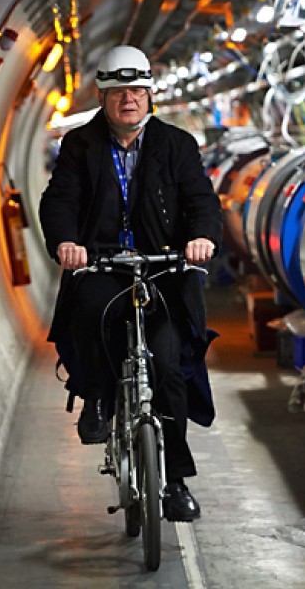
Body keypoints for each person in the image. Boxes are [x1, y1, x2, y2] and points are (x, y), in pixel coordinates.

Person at [39, 45, 222, 522]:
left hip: (162, 267)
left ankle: (176, 482)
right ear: (103, 97)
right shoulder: (80, 146)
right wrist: (65, 242)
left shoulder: (177, 145)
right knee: (92, 320)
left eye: (138, 91)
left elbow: (200, 197)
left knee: (167, 368)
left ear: (150, 95)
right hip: (101, 262)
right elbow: (60, 200)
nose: (130, 100)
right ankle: (97, 396)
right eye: (120, 92)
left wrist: (201, 236)